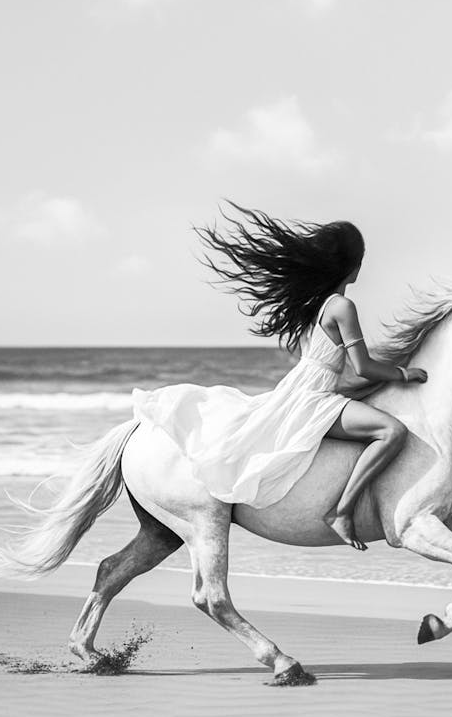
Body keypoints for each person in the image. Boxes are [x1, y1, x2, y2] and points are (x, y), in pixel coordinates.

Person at [132, 202, 427, 550]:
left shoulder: (319, 303)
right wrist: (404, 373)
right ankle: (343, 511)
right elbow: (362, 366)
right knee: (391, 431)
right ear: (355, 265)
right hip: (313, 397)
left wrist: (380, 381)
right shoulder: (342, 306)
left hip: (305, 388)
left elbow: (337, 370)